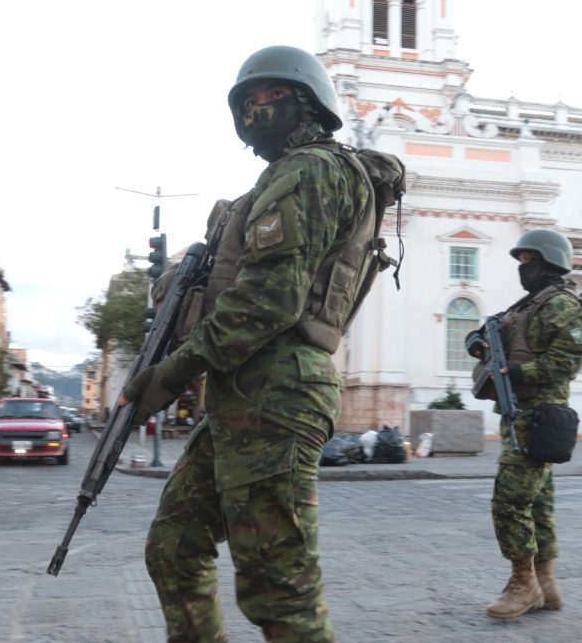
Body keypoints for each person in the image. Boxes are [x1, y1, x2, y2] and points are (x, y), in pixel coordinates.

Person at [119, 45, 404, 642]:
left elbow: (269, 300)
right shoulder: (279, 179)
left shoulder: (312, 170)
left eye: (270, 97)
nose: (256, 110)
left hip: (277, 390)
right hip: (243, 387)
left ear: (307, 103)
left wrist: (170, 374)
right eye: (247, 102)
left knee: (280, 590)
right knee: (174, 544)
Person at [466, 228, 582, 619]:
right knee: (538, 502)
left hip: (539, 415)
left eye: (528, 260)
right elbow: (492, 328)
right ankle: (546, 583)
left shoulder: (562, 304)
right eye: (521, 261)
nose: (523, 268)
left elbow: (568, 360)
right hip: (520, 413)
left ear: (548, 261)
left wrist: (520, 371)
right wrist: (478, 341)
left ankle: (524, 584)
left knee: (510, 500)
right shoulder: (528, 304)